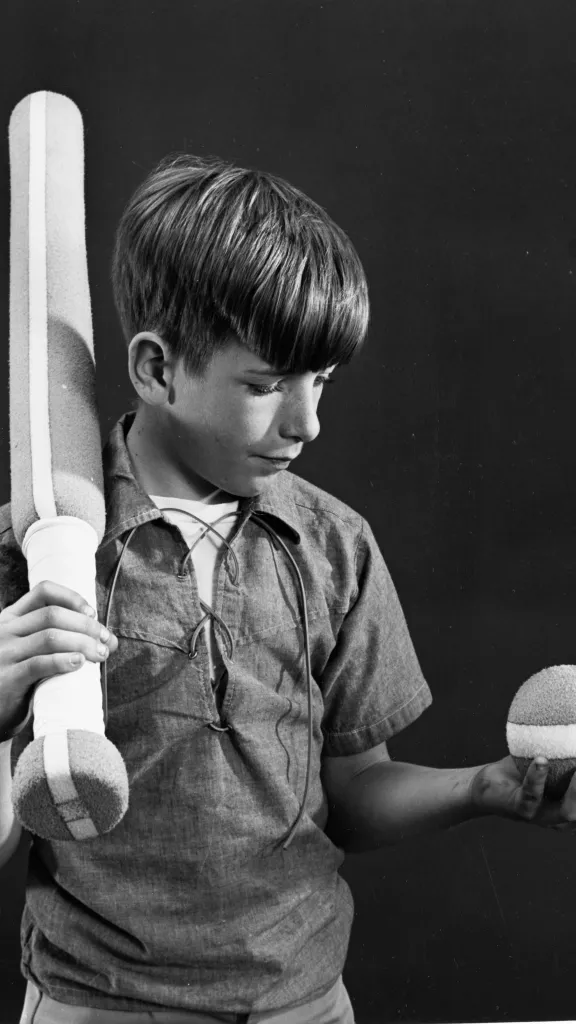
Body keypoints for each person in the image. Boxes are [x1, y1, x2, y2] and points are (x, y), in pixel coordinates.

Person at [0, 155, 574, 1024]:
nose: (306, 425)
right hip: (99, 1003)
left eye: (321, 384)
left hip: (301, 1001)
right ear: (157, 370)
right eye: (267, 386)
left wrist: (483, 788)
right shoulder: (41, 552)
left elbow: (352, 796)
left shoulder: (335, 546)